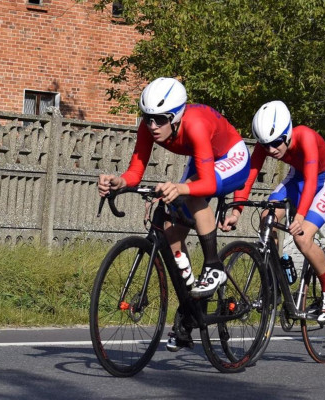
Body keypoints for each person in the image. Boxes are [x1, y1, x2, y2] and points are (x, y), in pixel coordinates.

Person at [97, 77, 250, 350]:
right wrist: (120, 181)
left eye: (161, 119)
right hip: (203, 159)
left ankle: (214, 266)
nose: (153, 126)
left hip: (230, 157)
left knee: (192, 193)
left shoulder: (196, 124)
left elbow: (207, 184)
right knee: (171, 229)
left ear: (177, 117)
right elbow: (135, 171)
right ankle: (191, 304)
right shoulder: (148, 128)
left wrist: (180, 187)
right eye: (148, 118)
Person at [219, 100, 325, 323]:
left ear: (288, 133)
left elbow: (313, 180)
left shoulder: (306, 136)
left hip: (323, 180)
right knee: (267, 218)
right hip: (297, 179)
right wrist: (237, 211)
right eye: (265, 145)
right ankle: (276, 280)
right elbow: (248, 176)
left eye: (276, 143)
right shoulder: (267, 145)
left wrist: (301, 216)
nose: (271, 150)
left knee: (302, 238)